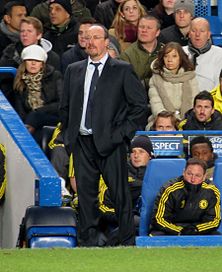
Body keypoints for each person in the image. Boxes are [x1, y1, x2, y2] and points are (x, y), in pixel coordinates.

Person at [60, 24, 148, 246]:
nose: (90, 42)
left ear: (106, 41)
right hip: (81, 142)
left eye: (95, 37)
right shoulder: (74, 69)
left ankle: (127, 242)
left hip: (111, 144)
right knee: (86, 197)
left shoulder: (122, 69)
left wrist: (120, 135)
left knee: (120, 196)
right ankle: (87, 244)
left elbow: (139, 107)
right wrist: (70, 137)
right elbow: (66, 107)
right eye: (87, 38)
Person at [99, 135, 153, 236]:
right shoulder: (118, 172)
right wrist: (124, 216)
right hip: (118, 221)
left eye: (141, 152)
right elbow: (102, 205)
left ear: (150, 155)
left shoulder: (157, 173)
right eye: (133, 151)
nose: (136, 156)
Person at [150, 158, 221, 235]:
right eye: (189, 174)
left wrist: (196, 230)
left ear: (204, 177)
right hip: (172, 229)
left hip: (198, 229)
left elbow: (214, 221)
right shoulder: (170, 189)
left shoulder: (212, 191)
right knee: (156, 236)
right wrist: (180, 231)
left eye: (197, 175)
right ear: (183, 172)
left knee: (216, 236)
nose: (193, 179)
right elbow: (159, 219)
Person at [13, 44, 63, 144]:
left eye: (37, 61)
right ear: (24, 63)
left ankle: (23, 141)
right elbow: (20, 110)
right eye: (29, 60)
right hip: (32, 122)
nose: (33, 64)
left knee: (35, 116)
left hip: (54, 116)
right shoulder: (20, 82)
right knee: (37, 135)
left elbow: (61, 103)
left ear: (42, 64)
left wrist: (39, 111)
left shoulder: (55, 76)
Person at [148, 41, 199, 124]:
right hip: (162, 121)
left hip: (188, 120)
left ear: (181, 58)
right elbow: (156, 103)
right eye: (166, 56)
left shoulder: (190, 77)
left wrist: (183, 121)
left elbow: (195, 101)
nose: (169, 60)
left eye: (174, 56)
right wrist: (170, 120)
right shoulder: (156, 78)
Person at [120, 15, 163, 94]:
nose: (144, 30)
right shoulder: (127, 55)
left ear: (157, 32)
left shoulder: (166, 52)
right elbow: (128, 85)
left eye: (149, 28)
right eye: (141, 27)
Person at [183, 17, 222, 92]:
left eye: (202, 31)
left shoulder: (220, 54)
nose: (197, 34)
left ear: (208, 35)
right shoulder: (180, 52)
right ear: (189, 34)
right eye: (194, 31)